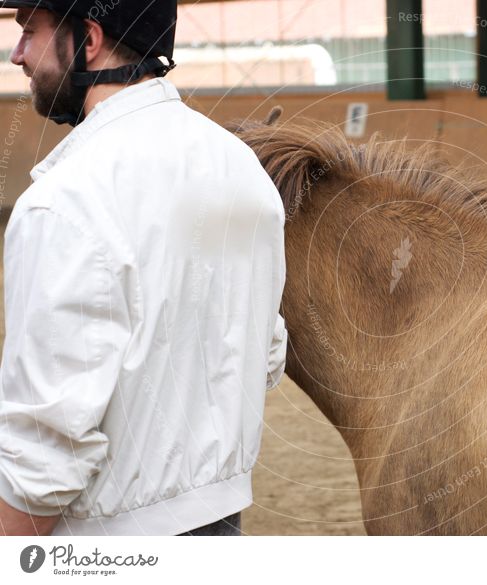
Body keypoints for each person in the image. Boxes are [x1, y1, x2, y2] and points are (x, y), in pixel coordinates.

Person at [0, 0, 287, 536]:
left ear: (88, 40)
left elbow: (44, 453)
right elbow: (265, 354)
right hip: (221, 520)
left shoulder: (63, 204)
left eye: (30, 32)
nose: (17, 54)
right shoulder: (245, 171)